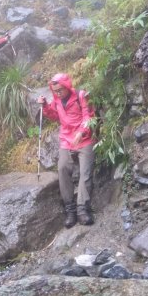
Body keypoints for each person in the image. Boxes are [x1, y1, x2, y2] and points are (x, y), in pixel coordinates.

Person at [37, 73, 97, 228]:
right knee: (63, 169)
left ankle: (82, 210)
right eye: (55, 90)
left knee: (85, 173)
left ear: (67, 86)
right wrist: (44, 106)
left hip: (84, 139)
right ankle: (70, 210)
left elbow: (89, 116)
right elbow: (54, 116)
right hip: (66, 140)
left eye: (60, 90)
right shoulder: (56, 100)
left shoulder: (81, 96)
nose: (57, 93)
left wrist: (82, 132)